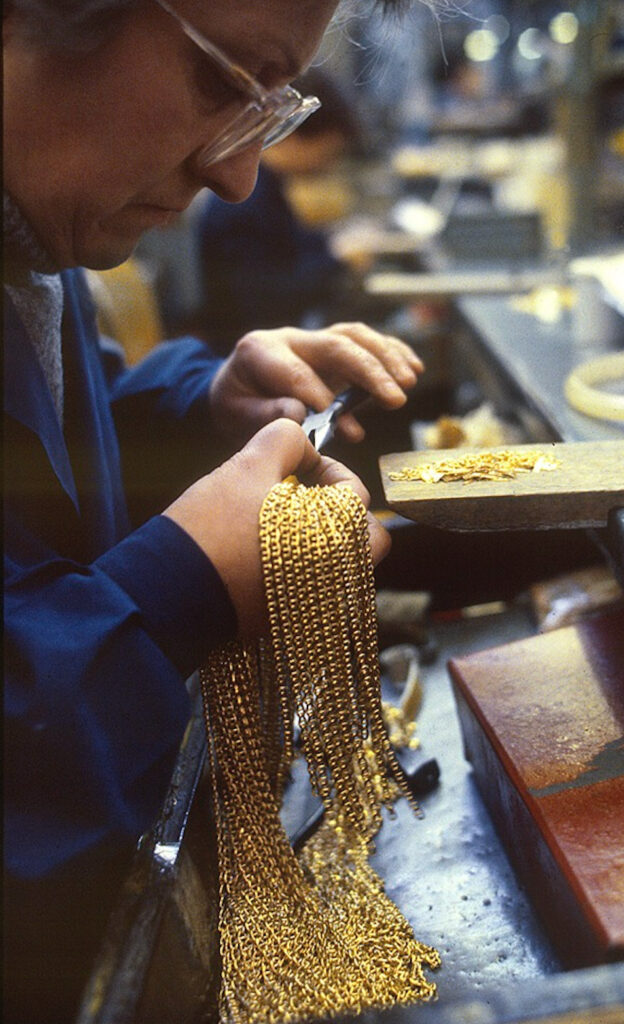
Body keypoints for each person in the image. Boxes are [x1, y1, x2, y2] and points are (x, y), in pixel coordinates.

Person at [2, 1, 426, 1020]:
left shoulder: (29, 248)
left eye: (267, 108)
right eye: (223, 83)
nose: (237, 176)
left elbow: (50, 443)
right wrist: (182, 585)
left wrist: (199, 410)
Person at [197, 68, 360, 351]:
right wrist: (338, 263)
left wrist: (334, 248)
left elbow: (288, 249)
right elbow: (263, 297)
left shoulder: (269, 185)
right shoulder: (246, 196)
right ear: (296, 132)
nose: (327, 164)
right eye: (328, 152)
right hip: (242, 352)